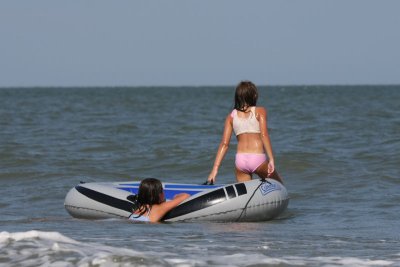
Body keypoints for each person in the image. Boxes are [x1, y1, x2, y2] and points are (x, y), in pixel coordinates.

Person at [208, 81, 283, 184]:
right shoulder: (260, 111)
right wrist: (271, 159)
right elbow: (264, 135)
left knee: (247, 194)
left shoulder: (231, 117)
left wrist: (214, 170)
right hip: (258, 159)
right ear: (254, 95)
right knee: (279, 185)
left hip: (241, 161)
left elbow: (224, 144)